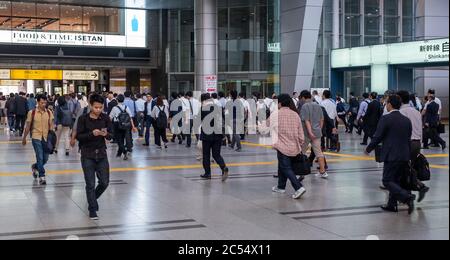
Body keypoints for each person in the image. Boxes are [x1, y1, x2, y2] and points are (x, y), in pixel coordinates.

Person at [365, 95, 416, 215]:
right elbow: (408, 138)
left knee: (387, 180)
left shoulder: (385, 119)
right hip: (404, 154)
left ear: (390, 104)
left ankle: (407, 197)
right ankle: (391, 204)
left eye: (386, 103)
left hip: (392, 155)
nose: (385, 105)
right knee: (396, 180)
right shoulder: (406, 120)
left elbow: (378, 136)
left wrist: (368, 149)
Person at [76, 94, 113, 220]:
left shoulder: (105, 118)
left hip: (101, 154)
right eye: (96, 107)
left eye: (100, 107)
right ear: (90, 105)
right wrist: (92, 134)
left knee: (104, 182)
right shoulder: (83, 119)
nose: (98, 110)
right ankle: (92, 208)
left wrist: (106, 134)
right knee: (90, 183)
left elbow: (111, 135)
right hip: (87, 154)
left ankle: (92, 199)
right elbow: (79, 137)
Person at [271, 94, 307, 199]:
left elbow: (265, 126)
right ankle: (281, 187)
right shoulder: (295, 115)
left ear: (280, 103)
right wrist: (299, 144)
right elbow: (301, 135)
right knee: (282, 166)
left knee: (286, 167)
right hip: (294, 147)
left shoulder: (276, 114)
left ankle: (298, 187)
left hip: (282, 147)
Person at [398, 90, 430, 203]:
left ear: (400, 99)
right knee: (407, 167)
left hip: (407, 143)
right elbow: (420, 129)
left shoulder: (402, 112)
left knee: (403, 168)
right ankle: (407, 192)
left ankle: (418, 187)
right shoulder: (416, 111)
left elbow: (401, 130)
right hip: (416, 143)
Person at [22, 94, 54, 186]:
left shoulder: (49, 112)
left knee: (45, 158)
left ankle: (35, 166)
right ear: (38, 102)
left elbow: (51, 125)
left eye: (45, 102)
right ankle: (42, 176)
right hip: (36, 137)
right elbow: (28, 126)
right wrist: (24, 138)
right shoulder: (31, 113)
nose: (44, 104)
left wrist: (52, 137)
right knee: (39, 156)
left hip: (46, 138)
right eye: (42, 102)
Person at [199, 93, 229, 181]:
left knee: (206, 155)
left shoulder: (203, 108)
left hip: (207, 135)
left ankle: (207, 173)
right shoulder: (218, 107)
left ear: (203, 100)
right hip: (218, 135)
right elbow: (223, 119)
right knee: (216, 154)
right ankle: (224, 168)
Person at [299, 90, 328, 179]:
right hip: (317, 132)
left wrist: (310, 132)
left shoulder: (304, 106)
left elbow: (306, 120)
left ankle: (301, 173)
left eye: (301, 98)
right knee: (319, 152)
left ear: (303, 97)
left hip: (307, 133)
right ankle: (322, 172)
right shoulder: (318, 105)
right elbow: (322, 119)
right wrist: (318, 129)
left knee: (302, 152)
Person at [109, 94, 137, 160]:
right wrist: (133, 126)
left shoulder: (115, 108)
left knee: (119, 141)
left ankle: (124, 152)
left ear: (117, 100)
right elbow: (130, 117)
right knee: (122, 139)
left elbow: (110, 118)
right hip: (126, 125)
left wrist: (108, 126)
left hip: (117, 125)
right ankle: (119, 153)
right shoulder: (126, 107)